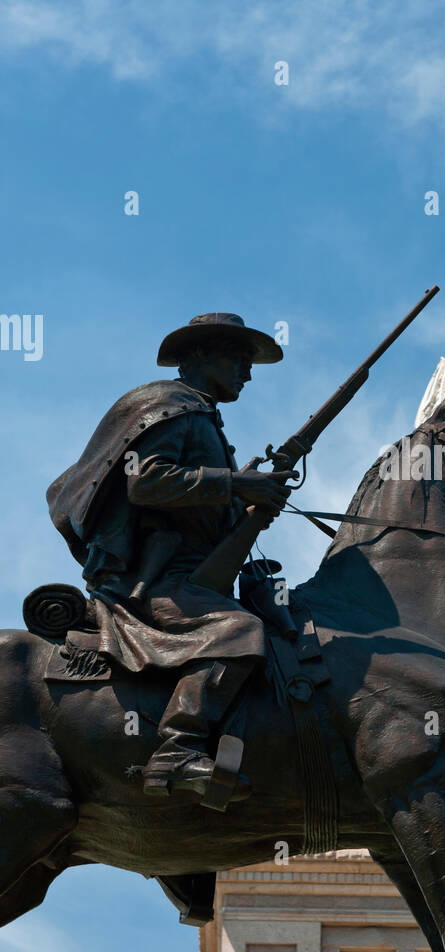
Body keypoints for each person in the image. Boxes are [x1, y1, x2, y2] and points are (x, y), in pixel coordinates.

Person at [47, 312, 290, 805]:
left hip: (192, 577)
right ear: (199, 355)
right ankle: (178, 748)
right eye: (237, 359)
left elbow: (202, 515)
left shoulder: (203, 419)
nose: (247, 372)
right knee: (238, 630)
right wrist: (239, 484)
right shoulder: (172, 405)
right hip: (157, 585)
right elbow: (147, 481)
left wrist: (249, 506)